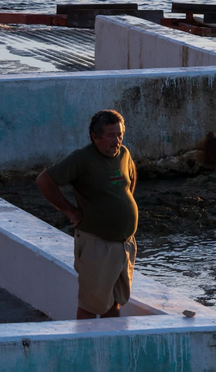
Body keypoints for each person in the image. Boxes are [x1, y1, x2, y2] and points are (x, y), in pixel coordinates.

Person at [36, 109, 138, 319]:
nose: (116, 141)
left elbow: (131, 179)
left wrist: (124, 207)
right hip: (97, 245)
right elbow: (44, 180)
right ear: (95, 137)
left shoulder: (124, 154)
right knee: (90, 305)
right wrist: (69, 210)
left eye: (120, 134)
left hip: (124, 244)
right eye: (111, 136)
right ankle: (85, 347)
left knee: (114, 301)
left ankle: (111, 345)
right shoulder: (82, 159)